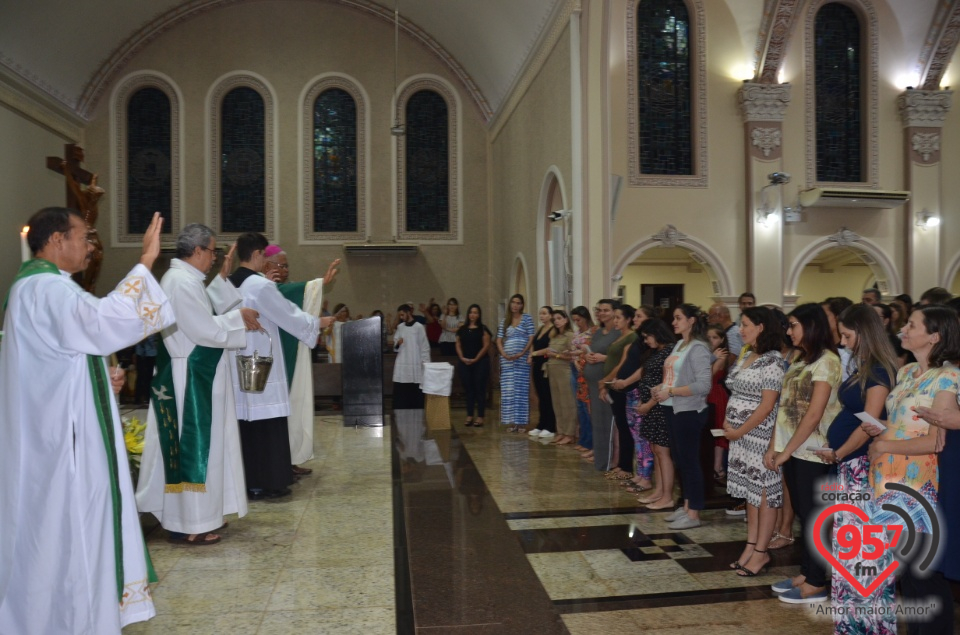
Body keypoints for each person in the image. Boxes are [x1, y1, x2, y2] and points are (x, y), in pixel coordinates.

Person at [0, 209, 173, 633]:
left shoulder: (35, 287)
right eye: (85, 237)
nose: (90, 247)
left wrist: (97, 376)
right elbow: (103, 325)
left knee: (50, 529)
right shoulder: (48, 288)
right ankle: (76, 618)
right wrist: (145, 261)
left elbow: (68, 353)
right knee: (74, 524)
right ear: (58, 240)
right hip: (65, 445)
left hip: (54, 431)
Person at [137, 223, 261, 546]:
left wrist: (230, 298)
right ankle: (188, 523)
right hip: (187, 380)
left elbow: (205, 312)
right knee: (192, 449)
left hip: (194, 374)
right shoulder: (178, 282)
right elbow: (203, 329)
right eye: (211, 251)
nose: (213, 257)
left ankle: (201, 517)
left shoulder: (185, 280)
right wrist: (238, 319)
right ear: (196, 251)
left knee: (205, 449)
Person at [866, 306, 960, 632]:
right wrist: (879, 429)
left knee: (923, 576)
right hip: (888, 480)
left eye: (911, 324)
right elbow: (902, 424)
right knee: (906, 575)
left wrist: (884, 445)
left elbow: (935, 441)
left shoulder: (947, 377)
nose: (903, 329)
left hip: (918, 485)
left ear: (935, 336)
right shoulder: (906, 372)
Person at [812, 304, 898, 634]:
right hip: (851, 465)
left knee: (863, 551)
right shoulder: (865, 365)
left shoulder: (878, 369)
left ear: (864, 332)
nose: (844, 343)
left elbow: (870, 422)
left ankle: (870, 626)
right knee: (849, 549)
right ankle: (851, 624)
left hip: (861, 465)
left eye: (848, 335)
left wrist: (839, 453)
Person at [228, 233, 333, 500]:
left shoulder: (228, 283)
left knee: (245, 423)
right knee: (266, 422)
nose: (266, 261)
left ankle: (248, 481)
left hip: (236, 362)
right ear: (256, 255)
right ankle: (268, 482)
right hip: (261, 362)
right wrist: (316, 323)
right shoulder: (259, 286)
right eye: (264, 255)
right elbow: (287, 314)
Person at [767, 303, 841, 604]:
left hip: (813, 450)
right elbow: (783, 408)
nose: (788, 330)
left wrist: (787, 451)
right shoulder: (800, 360)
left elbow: (813, 415)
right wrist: (775, 446)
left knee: (815, 517)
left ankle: (816, 582)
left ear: (811, 326)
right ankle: (807, 572)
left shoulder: (828, 361)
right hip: (792, 449)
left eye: (793, 324)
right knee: (803, 514)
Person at [260, 245, 340, 476]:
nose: (285, 270)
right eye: (281, 266)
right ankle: (279, 463)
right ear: (266, 265)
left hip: (285, 354)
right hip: (270, 359)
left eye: (286, 266)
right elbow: (287, 294)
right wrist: (320, 283)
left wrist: (318, 284)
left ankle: (289, 459)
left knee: (292, 408)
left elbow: (289, 296)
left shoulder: (274, 288)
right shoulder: (259, 286)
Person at [654, 304, 714, 530]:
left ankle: (694, 512)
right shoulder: (680, 344)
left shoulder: (698, 348)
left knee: (689, 462)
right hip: (672, 407)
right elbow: (674, 377)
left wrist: (670, 391)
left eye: (678, 318)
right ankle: (687, 504)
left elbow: (703, 385)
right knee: (680, 460)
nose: (674, 322)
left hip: (689, 410)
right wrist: (662, 387)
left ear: (691, 321)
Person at [610, 306, 656, 492]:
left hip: (638, 392)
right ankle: (639, 473)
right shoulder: (640, 340)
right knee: (635, 436)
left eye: (639, 316)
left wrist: (626, 381)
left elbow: (643, 368)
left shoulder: (648, 343)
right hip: (629, 392)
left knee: (642, 437)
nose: (635, 319)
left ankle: (646, 476)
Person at [633, 319, 677, 509]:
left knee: (663, 451)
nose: (646, 341)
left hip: (661, 406)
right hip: (652, 407)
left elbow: (668, 382)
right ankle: (659, 491)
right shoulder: (657, 351)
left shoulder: (671, 351)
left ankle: (667, 496)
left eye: (647, 336)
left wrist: (649, 404)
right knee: (656, 449)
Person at [599, 305, 639, 480]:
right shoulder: (621, 336)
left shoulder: (632, 337)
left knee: (624, 427)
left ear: (628, 319)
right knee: (620, 426)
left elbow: (621, 364)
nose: (615, 321)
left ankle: (627, 466)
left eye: (618, 318)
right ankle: (622, 463)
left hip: (623, 387)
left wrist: (605, 381)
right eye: (614, 317)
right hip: (614, 386)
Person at [583, 299, 622, 470]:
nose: (601, 313)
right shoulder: (598, 332)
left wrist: (603, 358)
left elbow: (623, 358)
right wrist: (588, 357)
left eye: (606, 310)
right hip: (593, 383)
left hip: (608, 383)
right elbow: (592, 351)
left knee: (610, 423)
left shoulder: (619, 333)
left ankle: (613, 460)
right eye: (599, 310)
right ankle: (600, 459)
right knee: (597, 422)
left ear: (615, 312)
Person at [497, 294, 535, 432]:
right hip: (507, 362)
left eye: (518, 303)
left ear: (522, 305)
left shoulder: (527, 318)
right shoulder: (504, 321)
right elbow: (499, 340)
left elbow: (531, 337)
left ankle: (522, 423)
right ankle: (512, 422)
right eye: (513, 302)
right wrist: (503, 353)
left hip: (521, 360)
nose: (515, 305)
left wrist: (523, 352)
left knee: (521, 390)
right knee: (508, 391)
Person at [543, 309, 577, 445]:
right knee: (557, 403)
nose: (556, 321)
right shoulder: (554, 335)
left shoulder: (570, 336)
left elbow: (572, 355)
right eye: (554, 319)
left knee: (567, 403)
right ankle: (561, 431)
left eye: (559, 318)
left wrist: (556, 355)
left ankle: (570, 433)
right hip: (553, 371)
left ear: (565, 319)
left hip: (564, 371)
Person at [456, 304, 492, 427]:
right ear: (468, 314)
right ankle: (469, 415)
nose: (473, 315)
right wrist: (461, 357)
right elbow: (458, 344)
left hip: (480, 362)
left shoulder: (483, 329)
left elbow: (486, 345)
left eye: (476, 312)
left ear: (479, 314)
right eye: (471, 312)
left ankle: (480, 416)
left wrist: (476, 359)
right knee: (469, 389)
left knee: (479, 389)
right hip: (465, 362)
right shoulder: (462, 329)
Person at [570, 306, 598, 457]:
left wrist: (580, 353)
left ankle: (590, 442)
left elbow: (589, 350)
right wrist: (573, 356)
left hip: (586, 370)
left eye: (578, 320)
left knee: (588, 408)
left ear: (586, 317)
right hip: (575, 369)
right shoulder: (577, 333)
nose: (577, 323)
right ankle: (583, 439)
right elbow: (575, 349)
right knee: (580, 406)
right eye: (574, 320)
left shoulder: (593, 332)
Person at [706, 324, 731, 485]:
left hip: (716, 394)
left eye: (715, 337)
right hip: (707, 394)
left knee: (718, 431)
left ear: (722, 340)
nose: (711, 341)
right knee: (710, 432)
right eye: (708, 337)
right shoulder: (709, 354)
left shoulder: (721, 355)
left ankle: (717, 467)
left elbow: (708, 375)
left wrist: (712, 358)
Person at [393, 304, 431, 409]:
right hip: (403, 361)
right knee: (402, 388)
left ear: (408, 313)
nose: (401, 317)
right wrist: (398, 343)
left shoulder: (419, 327)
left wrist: (425, 362)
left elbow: (424, 346)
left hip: (415, 361)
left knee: (415, 388)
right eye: (400, 315)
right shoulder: (400, 327)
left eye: (402, 315)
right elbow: (395, 345)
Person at [528, 306, 558, 438]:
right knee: (541, 395)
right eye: (540, 313)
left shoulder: (552, 330)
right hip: (537, 364)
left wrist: (534, 353)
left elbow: (550, 348)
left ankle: (550, 426)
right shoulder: (540, 329)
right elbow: (533, 344)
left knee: (547, 395)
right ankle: (541, 423)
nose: (542, 316)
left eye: (545, 314)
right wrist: (531, 355)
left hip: (546, 365)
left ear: (551, 315)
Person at [134, 332, 159, 405]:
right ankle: (138, 398)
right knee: (141, 376)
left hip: (151, 353)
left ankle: (149, 397)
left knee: (150, 376)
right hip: (141, 353)